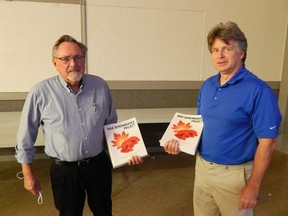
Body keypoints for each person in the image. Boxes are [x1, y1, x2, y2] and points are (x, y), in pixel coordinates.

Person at [15, 35, 143, 216]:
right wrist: (27, 173)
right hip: (65, 171)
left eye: (78, 57)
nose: (73, 63)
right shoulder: (40, 92)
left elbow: (111, 125)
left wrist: (126, 152)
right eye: (65, 59)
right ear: (54, 63)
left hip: (98, 166)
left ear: (84, 60)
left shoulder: (100, 85)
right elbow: (25, 135)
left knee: (104, 210)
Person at [164, 21, 282, 216]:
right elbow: (201, 126)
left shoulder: (259, 91)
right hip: (202, 169)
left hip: (233, 175)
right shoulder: (208, 86)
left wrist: (253, 186)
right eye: (215, 50)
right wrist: (180, 143)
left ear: (242, 53)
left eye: (227, 48)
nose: (219, 55)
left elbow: (267, 144)